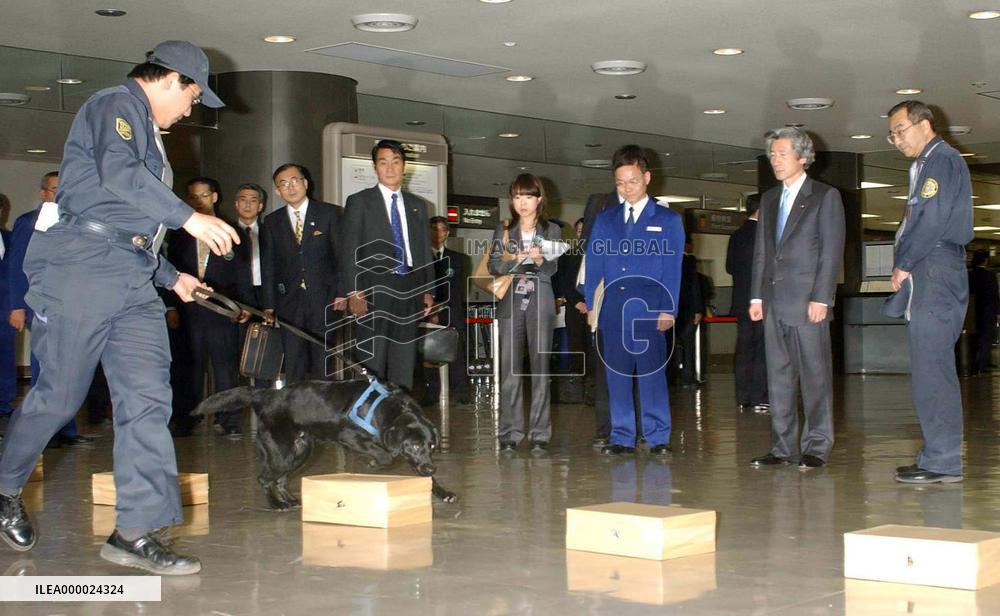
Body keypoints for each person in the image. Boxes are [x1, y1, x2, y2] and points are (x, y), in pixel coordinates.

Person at [0, 40, 237, 575]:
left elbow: (128, 231)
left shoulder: (151, 136)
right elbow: (115, 181)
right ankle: (4, 485)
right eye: (194, 96)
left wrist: (174, 277)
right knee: (59, 397)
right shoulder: (115, 104)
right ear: (173, 79)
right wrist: (190, 219)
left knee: (149, 398)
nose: (191, 107)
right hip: (79, 269)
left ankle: (135, 530)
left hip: (131, 278)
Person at [887, 100, 973, 484]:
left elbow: (932, 218)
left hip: (935, 267)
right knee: (927, 367)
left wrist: (904, 262)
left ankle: (942, 459)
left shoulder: (941, 160)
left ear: (925, 124)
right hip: (930, 267)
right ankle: (935, 454)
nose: (896, 140)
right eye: (892, 134)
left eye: (901, 130)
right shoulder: (924, 164)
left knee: (933, 368)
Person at [749, 127, 845, 470]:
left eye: (782, 154)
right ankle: (782, 447)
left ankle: (817, 446)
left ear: (803, 158)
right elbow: (762, 252)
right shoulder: (770, 199)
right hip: (774, 301)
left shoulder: (825, 196)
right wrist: (756, 296)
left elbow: (831, 252)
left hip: (808, 303)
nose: (776, 160)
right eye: (772, 155)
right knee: (779, 377)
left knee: (816, 376)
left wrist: (822, 298)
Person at [585, 145, 684, 457]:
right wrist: (591, 306)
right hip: (614, 305)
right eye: (620, 183)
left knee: (652, 373)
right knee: (616, 374)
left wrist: (669, 309)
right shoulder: (605, 219)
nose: (626, 189)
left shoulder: (667, 220)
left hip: (650, 306)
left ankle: (658, 437)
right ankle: (622, 436)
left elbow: (673, 269)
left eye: (633, 181)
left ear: (647, 178)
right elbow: (594, 266)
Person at [6, 172, 98, 446]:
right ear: (43, 193)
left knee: (65, 369)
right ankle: (40, 433)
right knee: (46, 369)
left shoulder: (77, 222)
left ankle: (64, 430)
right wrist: (16, 306)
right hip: (40, 306)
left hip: (70, 306)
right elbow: (16, 266)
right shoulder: (29, 223)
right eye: (56, 189)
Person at [342, 140, 434, 390]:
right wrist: (353, 291)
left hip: (409, 289)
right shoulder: (359, 201)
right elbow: (349, 249)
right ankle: (369, 421)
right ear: (375, 167)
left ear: (405, 166)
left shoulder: (418, 206)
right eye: (383, 162)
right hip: (373, 290)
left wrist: (428, 291)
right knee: (372, 360)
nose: (390, 168)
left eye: (396, 162)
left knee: (404, 362)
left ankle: (398, 421)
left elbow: (424, 251)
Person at [166, 177, 251, 437]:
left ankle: (229, 420)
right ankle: (186, 419)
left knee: (225, 369)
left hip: (221, 311)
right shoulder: (177, 234)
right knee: (187, 368)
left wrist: (245, 306)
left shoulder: (230, 230)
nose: (198, 201)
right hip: (187, 313)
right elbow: (167, 273)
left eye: (203, 195)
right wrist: (169, 307)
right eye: (192, 197)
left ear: (214, 197)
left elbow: (242, 273)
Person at [489, 173, 564, 453]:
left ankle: (540, 435)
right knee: (509, 367)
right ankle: (509, 432)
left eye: (528, 196)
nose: (522, 202)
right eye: (517, 196)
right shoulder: (504, 229)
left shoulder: (552, 229)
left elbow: (553, 269)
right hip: (511, 297)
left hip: (541, 296)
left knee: (540, 368)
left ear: (539, 199)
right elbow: (494, 265)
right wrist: (514, 261)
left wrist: (540, 259)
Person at [260, 164, 342, 383]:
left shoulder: (329, 214)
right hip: (289, 304)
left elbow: (341, 258)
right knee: (293, 364)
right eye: (283, 184)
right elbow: (268, 267)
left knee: (323, 363)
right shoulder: (271, 222)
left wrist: (341, 293)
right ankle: (295, 413)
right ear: (278, 191)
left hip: (324, 301)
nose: (290, 187)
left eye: (295, 181)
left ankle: (323, 412)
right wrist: (269, 304)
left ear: (305, 183)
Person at [580, 190, 622, 446]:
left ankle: (636, 427)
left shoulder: (651, 208)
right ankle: (606, 428)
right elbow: (587, 252)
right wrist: (588, 300)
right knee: (605, 367)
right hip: (604, 296)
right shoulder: (599, 203)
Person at [726, 193, 768, 412]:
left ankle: (742, 397)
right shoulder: (766, 236)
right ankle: (760, 397)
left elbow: (729, 267)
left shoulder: (737, 235)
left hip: (741, 301)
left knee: (744, 348)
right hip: (763, 301)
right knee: (762, 349)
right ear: (761, 210)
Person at [424, 215, 470, 402]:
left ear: (448, 233)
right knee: (427, 354)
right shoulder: (420, 258)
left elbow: (456, 288)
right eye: (434, 229)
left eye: (442, 230)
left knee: (457, 352)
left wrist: (441, 307)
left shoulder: (459, 259)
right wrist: (431, 309)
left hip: (451, 311)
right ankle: (430, 394)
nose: (438, 234)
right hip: (425, 311)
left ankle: (461, 394)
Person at [671, 238, 704, 387]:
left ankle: (670, 377)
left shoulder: (668, 259)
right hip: (688, 309)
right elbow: (694, 286)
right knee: (689, 345)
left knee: (670, 345)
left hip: (670, 309)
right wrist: (698, 309)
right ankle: (688, 377)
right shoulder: (690, 262)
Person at [234, 183, 267, 309]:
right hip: (235, 294)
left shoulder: (270, 232)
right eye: (243, 200)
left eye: (253, 201)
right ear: (236, 204)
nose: (248, 205)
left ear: (260, 206)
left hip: (264, 293)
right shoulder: (227, 232)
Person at [968, 250, 998, 374]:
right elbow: (994, 295)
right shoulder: (990, 276)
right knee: (986, 337)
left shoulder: (970, 275)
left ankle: (973, 362)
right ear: (985, 260)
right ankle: (983, 363)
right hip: (987, 311)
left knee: (974, 337)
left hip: (972, 311)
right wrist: (997, 311)